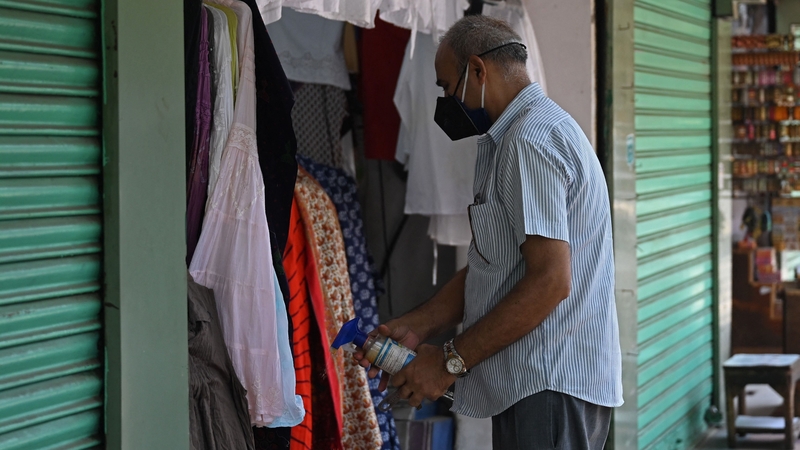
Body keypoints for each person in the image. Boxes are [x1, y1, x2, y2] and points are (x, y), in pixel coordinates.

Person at [355, 14, 623, 450]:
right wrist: (419, 324)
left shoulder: (529, 142)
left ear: (478, 70)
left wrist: (447, 362)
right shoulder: (513, 138)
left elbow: (550, 281)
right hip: (533, 382)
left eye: (446, 86)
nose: (445, 99)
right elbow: (498, 265)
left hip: (549, 381)